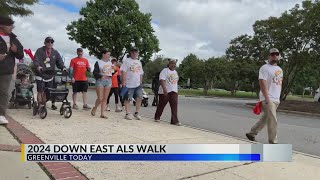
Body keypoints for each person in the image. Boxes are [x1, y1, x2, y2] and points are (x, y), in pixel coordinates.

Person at [246, 48, 283, 144]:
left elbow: (279, 84)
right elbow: (262, 82)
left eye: (276, 54)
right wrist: (266, 97)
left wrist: (278, 97)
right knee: (273, 119)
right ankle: (273, 142)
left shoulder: (279, 69)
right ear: (269, 56)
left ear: (279, 56)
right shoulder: (264, 68)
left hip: (276, 99)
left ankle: (252, 133)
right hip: (268, 98)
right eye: (272, 54)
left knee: (266, 118)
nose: (275, 55)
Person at [0, 16, 24, 125]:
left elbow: (21, 55)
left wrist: (16, 50)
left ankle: (1, 115)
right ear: (1, 25)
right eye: (9, 25)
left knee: (4, 93)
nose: (11, 27)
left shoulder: (13, 39)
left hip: (6, 70)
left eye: (12, 25)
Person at [33, 37, 66, 110]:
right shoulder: (40, 50)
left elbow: (60, 62)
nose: (50, 43)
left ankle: (43, 105)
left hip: (50, 75)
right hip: (41, 74)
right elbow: (36, 60)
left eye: (51, 42)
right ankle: (39, 105)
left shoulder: (55, 52)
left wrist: (63, 67)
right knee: (40, 91)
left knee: (46, 92)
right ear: (45, 43)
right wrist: (38, 66)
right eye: (48, 42)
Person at [154, 59, 181, 126]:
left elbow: (176, 80)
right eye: (172, 63)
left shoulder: (175, 72)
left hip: (174, 91)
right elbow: (162, 80)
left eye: (174, 64)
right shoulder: (165, 70)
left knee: (174, 106)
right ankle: (157, 117)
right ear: (169, 64)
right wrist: (164, 89)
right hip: (165, 91)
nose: (173, 65)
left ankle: (174, 121)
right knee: (161, 105)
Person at [120, 47, 144, 120]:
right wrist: (123, 82)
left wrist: (141, 82)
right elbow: (123, 71)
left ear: (138, 53)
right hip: (129, 84)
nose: (134, 53)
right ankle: (127, 113)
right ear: (130, 52)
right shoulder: (127, 61)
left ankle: (136, 113)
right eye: (133, 52)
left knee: (139, 98)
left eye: (136, 52)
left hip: (137, 84)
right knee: (128, 99)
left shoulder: (139, 62)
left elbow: (141, 73)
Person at [91, 49, 113, 118]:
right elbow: (95, 72)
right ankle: (95, 107)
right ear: (103, 54)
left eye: (109, 54)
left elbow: (112, 72)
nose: (109, 56)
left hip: (108, 80)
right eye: (108, 54)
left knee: (105, 98)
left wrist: (111, 74)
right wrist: (101, 76)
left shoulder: (110, 63)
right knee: (100, 98)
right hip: (100, 80)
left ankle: (102, 114)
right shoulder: (98, 62)